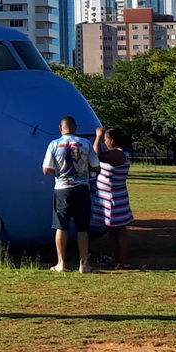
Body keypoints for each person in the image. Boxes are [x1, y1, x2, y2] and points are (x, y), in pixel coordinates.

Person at [42, 115, 100, 273]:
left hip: (62, 189)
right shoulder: (85, 143)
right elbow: (96, 167)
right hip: (82, 188)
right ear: (76, 128)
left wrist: (60, 172)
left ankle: (61, 263)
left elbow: (46, 169)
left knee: (61, 225)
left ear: (60, 128)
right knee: (83, 227)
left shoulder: (54, 144)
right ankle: (84, 264)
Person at [92, 127, 134, 268]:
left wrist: (98, 137)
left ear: (112, 141)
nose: (104, 142)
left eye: (106, 140)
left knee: (119, 230)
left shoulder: (117, 155)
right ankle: (116, 259)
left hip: (114, 199)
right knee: (113, 230)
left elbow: (97, 155)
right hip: (113, 197)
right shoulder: (117, 154)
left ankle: (123, 261)